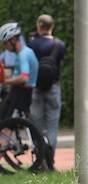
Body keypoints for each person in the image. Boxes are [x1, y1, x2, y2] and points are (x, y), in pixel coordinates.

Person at [29, 14, 65, 152]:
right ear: (52, 26)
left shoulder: (33, 44)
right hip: (54, 87)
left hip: (37, 88)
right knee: (52, 125)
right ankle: (51, 158)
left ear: (39, 25)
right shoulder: (59, 45)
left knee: (37, 124)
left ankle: (40, 157)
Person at [0, 22, 39, 121]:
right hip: (17, 91)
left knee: (6, 126)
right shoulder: (18, 53)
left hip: (22, 93)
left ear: (14, 40)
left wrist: (4, 81)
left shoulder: (24, 54)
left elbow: (24, 77)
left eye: (5, 43)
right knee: (1, 121)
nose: (4, 46)